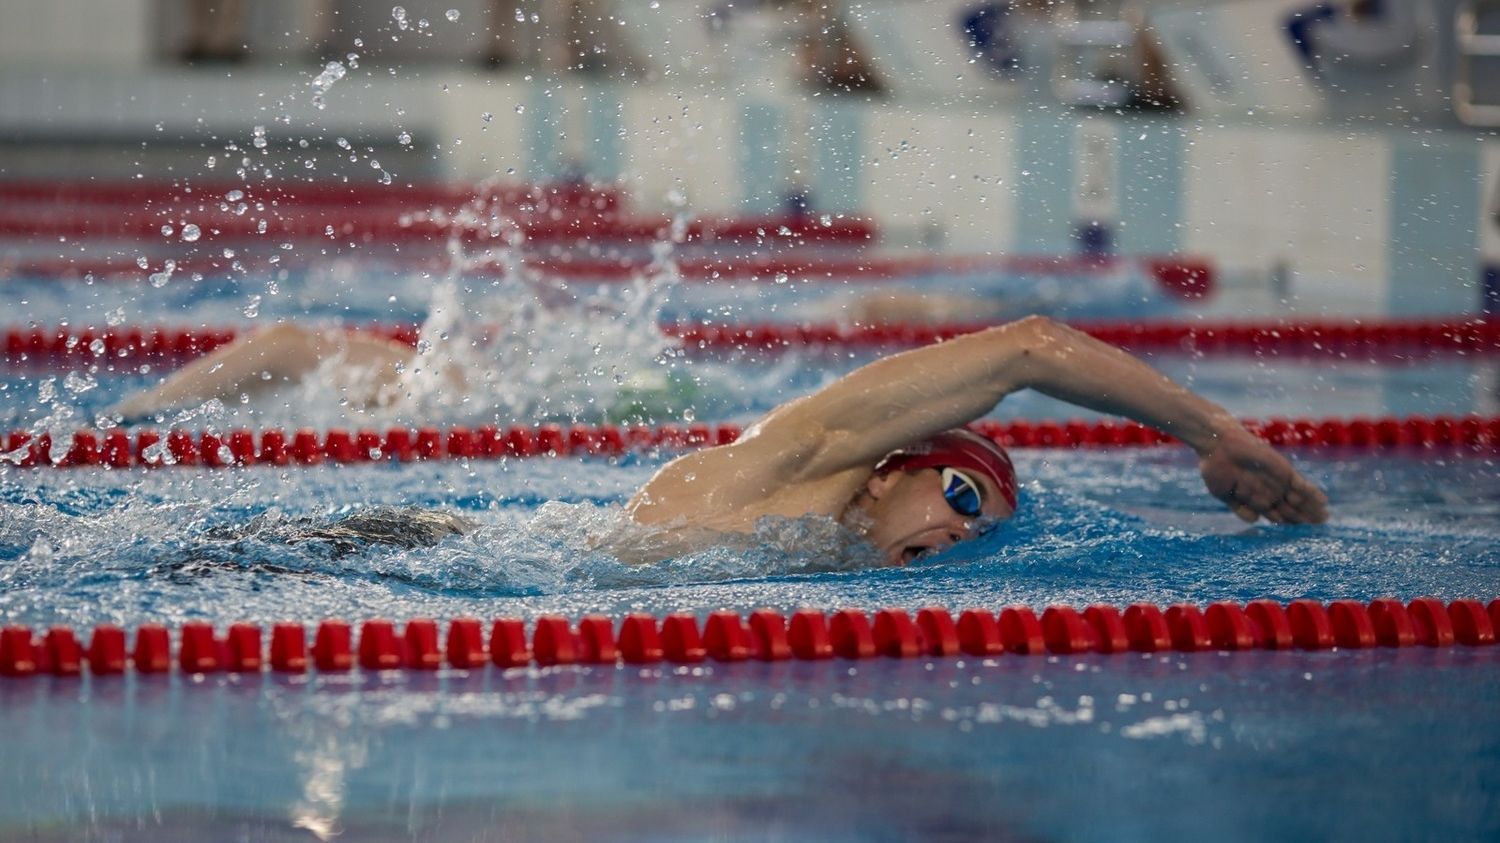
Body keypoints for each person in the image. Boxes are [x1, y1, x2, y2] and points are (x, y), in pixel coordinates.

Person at [113, 316, 1328, 566]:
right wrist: (1213, 432)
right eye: (963, 500)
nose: (959, 537)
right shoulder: (805, 462)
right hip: (396, 548)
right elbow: (1024, 350)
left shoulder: (840, 557)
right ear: (908, 462)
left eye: (982, 532)